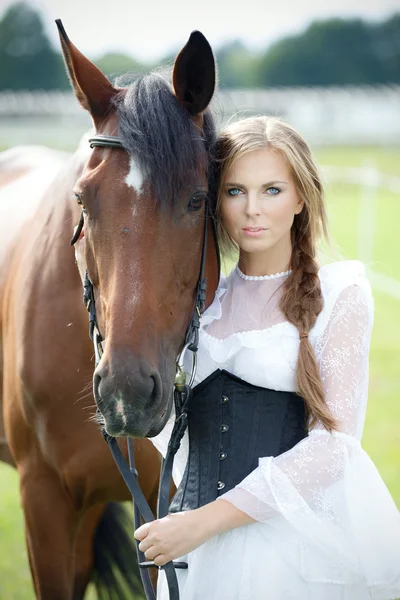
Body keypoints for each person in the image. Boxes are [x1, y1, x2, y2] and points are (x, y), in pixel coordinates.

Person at [135, 115, 400, 600]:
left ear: (301, 198)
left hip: (293, 554)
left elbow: (333, 449)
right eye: (235, 191)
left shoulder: (340, 294)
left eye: (272, 190)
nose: (252, 209)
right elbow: (172, 433)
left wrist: (202, 522)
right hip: (196, 556)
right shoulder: (200, 305)